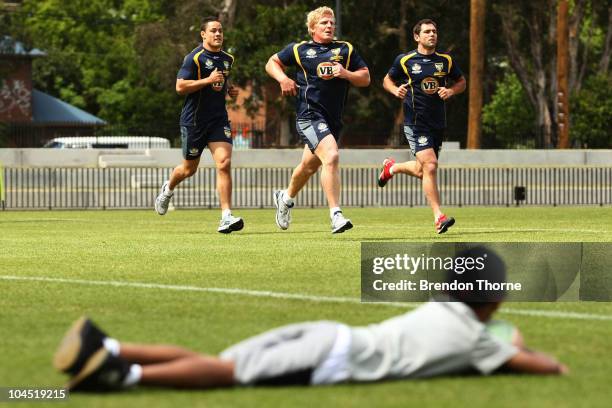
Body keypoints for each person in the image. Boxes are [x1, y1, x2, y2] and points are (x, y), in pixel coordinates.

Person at [54, 247, 567, 392]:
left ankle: (114, 348)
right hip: (335, 356)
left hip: (332, 334)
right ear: (494, 303)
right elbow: (550, 370)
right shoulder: (480, 342)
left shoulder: (441, 308)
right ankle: (126, 377)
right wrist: (514, 342)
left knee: (221, 361)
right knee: (231, 374)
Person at [265, 6, 370, 234]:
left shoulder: (345, 49)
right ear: (313, 28)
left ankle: (285, 197)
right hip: (309, 115)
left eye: (332, 23)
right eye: (324, 23)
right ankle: (336, 215)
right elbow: (271, 62)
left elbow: (365, 78)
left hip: (332, 120)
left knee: (308, 166)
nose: (330, 26)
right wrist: (283, 78)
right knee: (331, 156)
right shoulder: (300, 50)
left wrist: (346, 74)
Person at [154, 16, 243, 234]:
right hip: (194, 121)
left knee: (224, 163)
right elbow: (180, 87)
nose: (218, 34)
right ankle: (168, 188)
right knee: (188, 169)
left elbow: (221, 78)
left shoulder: (227, 58)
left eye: (220, 30)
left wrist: (228, 88)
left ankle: (226, 216)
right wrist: (207, 81)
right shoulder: (193, 58)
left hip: (218, 120)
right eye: (213, 30)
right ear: (203, 34)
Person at [378, 19, 467, 234]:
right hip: (416, 123)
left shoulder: (445, 61)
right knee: (430, 165)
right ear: (417, 37)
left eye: (435, 31)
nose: (432, 34)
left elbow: (461, 81)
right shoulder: (406, 60)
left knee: (422, 169)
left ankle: (392, 168)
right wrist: (394, 90)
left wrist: (451, 91)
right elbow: (386, 80)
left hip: (437, 123)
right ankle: (439, 217)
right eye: (427, 31)